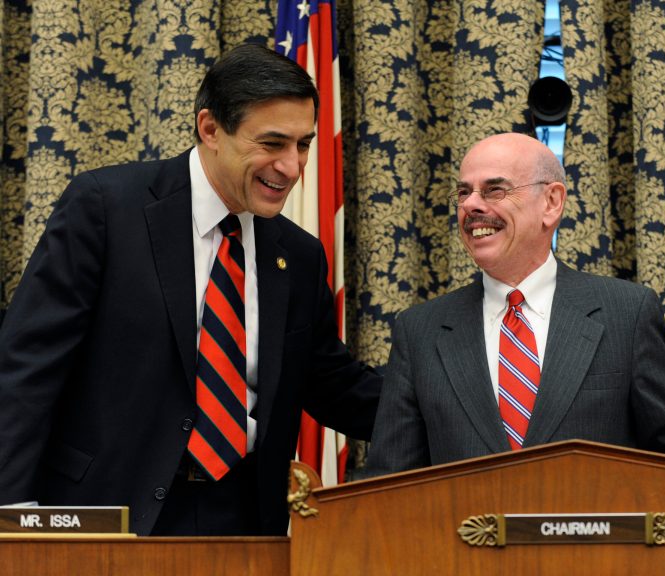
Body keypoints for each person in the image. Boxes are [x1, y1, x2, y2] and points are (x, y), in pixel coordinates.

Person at [0, 43, 381, 536]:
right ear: (210, 129)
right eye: (271, 144)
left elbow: (335, 385)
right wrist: (14, 518)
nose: (292, 167)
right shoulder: (105, 209)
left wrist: (467, 399)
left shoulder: (299, 254)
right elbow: (27, 371)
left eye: (303, 144)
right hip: (109, 511)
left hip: (242, 519)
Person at [366, 132, 665, 475]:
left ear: (551, 202)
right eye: (463, 193)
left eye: (494, 190)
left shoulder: (627, 314)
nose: (470, 205)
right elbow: (388, 486)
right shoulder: (419, 331)